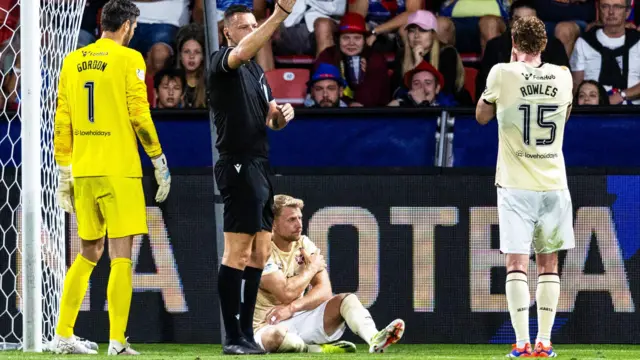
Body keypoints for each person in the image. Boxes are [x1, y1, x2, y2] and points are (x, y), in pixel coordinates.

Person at [51, 0, 171, 355]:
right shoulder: (129, 59)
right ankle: (117, 340)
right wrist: (158, 161)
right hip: (119, 169)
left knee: (88, 251)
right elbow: (139, 115)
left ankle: (63, 334)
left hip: (84, 170)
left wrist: (62, 171)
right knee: (121, 255)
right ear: (129, 26)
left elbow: (62, 120)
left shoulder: (72, 61)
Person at [475, 15, 574, 358]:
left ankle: (521, 343)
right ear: (544, 45)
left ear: (513, 44)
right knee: (549, 266)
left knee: (516, 264)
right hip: (554, 183)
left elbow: (481, 117)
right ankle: (545, 343)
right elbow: (566, 116)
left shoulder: (502, 73)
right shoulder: (563, 76)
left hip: (516, 184)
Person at [208, 3, 296, 355]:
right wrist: (278, 15)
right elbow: (243, 50)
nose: (249, 30)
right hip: (237, 164)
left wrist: (281, 116)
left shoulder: (257, 73)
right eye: (243, 26)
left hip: (260, 164)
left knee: (260, 254)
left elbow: (270, 118)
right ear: (228, 32)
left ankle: (246, 333)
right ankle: (231, 337)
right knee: (237, 253)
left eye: (253, 24)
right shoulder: (223, 60)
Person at [253, 194, 405, 354]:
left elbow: (324, 291)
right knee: (276, 337)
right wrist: (311, 269)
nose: (299, 224)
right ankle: (316, 349)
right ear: (273, 223)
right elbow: (285, 293)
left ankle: (374, 338)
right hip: (266, 325)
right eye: (291, 219)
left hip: (298, 316)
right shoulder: (261, 249)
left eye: (300, 218)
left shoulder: (304, 243)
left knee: (347, 300)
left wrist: (292, 308)